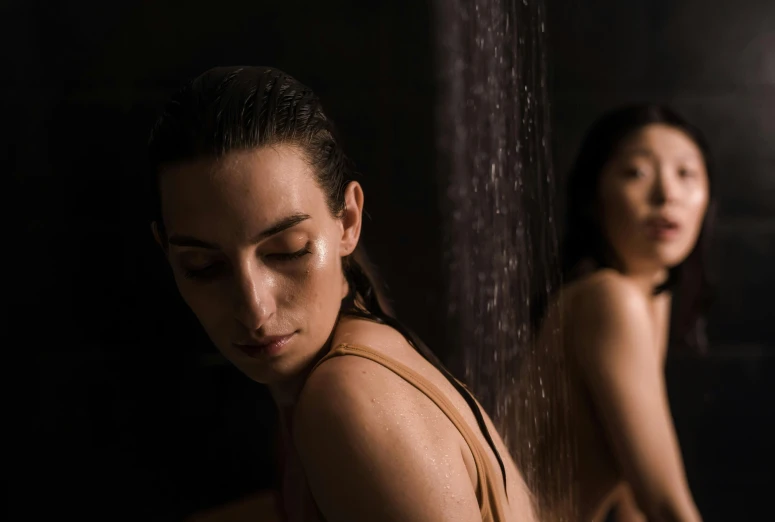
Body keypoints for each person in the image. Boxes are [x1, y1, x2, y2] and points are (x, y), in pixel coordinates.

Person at [148, 66, 538, 522]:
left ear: (348, 221)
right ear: (166, 252)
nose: (254, 308)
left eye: (288, 252)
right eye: (204, 267)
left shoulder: (346, 399)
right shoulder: (340, 363)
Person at [543, 104, 712, 522]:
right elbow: (665, 504)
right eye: (636, 172)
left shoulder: (649, 294)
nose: (666, 194)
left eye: (686, 174)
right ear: (593, 196)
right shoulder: (610, 298)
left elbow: (630, 503)